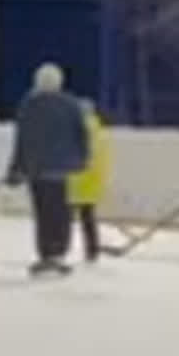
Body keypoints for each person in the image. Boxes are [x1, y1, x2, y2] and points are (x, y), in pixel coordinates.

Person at [10, 63, 89, 275]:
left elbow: (21, 140)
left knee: (43, 212)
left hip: (37, 170)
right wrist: (82, 160)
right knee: (60, 212)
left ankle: (45, 253)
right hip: (61, 170)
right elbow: (82, 135)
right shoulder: (72, 105)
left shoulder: (28, 105)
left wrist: (16, 168)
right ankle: (58, 252)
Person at [69, 96, 112, 265]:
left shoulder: (80, 129)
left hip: (78, 179)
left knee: (63, 217)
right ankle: (92, 249)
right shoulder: (99, 129)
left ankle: (58, 249)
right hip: (93, 181)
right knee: (88, 217)